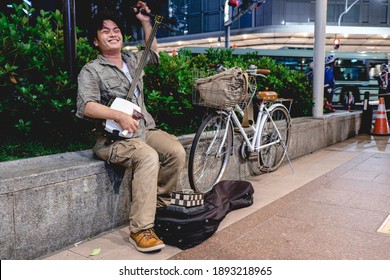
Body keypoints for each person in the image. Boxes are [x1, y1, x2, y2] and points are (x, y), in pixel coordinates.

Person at [76, 1, 186, 253]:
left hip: (144, 131)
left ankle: (158, 205)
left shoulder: (131, 59)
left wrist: (146, 22)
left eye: (116, 30)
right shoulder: (91, 70)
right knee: (147, 156)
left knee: (175, 151)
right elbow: (86, 107)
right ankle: (140, 229)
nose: (113, 34)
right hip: (114, 140)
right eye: (105, 31)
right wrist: (117, 114)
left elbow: (153, 55)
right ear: (96, 41)